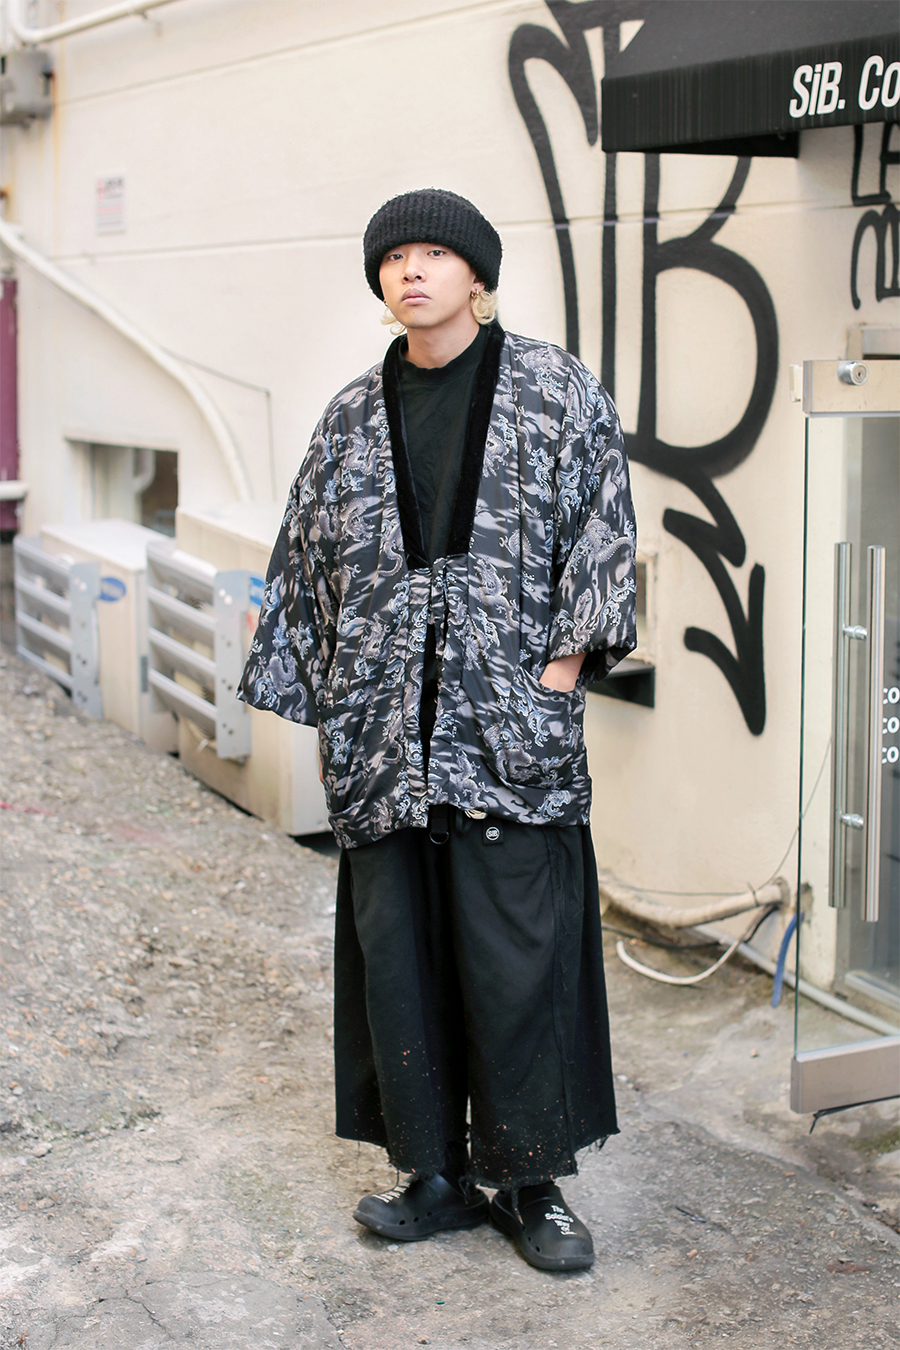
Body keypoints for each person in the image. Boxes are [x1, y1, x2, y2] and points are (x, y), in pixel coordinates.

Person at [239, 188, 637, 1273]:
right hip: (384, 743)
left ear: (477, 276)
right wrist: (332, 692)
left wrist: (559, 673)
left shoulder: (555, 389)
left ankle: (531, 1181)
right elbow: (307, 558)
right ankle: (432, 1172)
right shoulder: (348, 416)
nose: (411, 270)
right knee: (401, 956)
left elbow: (603, 532)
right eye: (394, 257)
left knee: (517, 958)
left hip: (509, 736)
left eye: (434, 254)